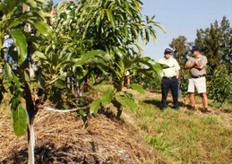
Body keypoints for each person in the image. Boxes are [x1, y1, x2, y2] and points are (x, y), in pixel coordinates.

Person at [185, 46, 209, 113]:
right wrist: (194, 63)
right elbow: (186, 66)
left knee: (203, 93)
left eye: (193, 51)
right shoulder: (191, 58)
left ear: (197, 51)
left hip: (200, 77)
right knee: (191, 92)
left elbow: (200, 67)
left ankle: (205, 108)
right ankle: (192, 107)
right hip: (191, 78)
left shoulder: (203, 58)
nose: (192, 52)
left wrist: (192, 65)